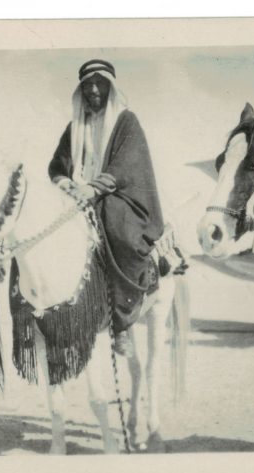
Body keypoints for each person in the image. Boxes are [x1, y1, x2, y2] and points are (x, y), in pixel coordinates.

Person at [48, 59, 165, 353]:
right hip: (76, 197)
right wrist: (67, 185)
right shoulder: (74, 127)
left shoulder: (127, 122)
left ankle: (121, 323)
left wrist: (94, 188)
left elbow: (127, 165)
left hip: (117, 196)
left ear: (111, 88)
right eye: (88, 85)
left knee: (118, 228)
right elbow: (57, 167)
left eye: (99, 84)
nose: (94, 90)